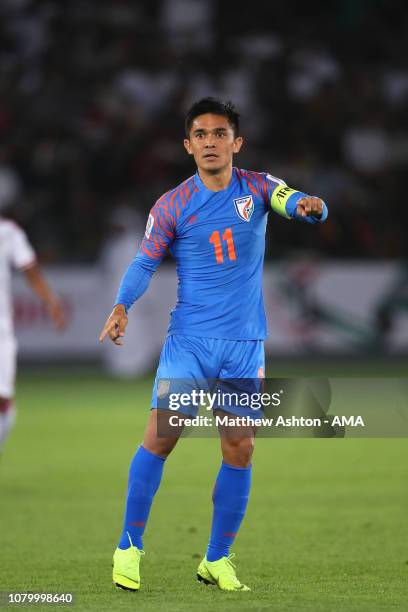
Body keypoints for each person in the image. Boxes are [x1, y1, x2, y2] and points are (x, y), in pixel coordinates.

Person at [99, 97, 328, 592]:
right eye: (200, 135)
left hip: (245, 345)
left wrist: (312, 206)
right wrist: (121, 306)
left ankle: (217, 560)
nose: (210, 142)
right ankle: (129, 547)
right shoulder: (172, 204)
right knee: (161, 439)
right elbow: (144, 263)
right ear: (188, 145)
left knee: (240, 448)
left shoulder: (258, 187)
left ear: (235, 142)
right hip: (191, 345)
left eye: (219, 133)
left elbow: (295, 199)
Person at [0, 216, 65, 453]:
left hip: (1, 332)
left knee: (3, 399)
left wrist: (51, 301)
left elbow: (30, 269)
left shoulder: (7, 231)